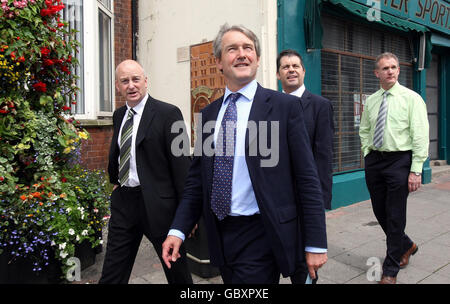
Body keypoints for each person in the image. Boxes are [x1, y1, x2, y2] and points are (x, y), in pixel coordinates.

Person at [162, 24, 327, 284]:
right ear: (218, 62)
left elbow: (307, 177)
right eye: (232, 49)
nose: (241, 54)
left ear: (258, 58)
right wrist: (178, 230)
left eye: (248, 48)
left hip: (262, 231)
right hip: (220, 234)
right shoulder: (208, 116)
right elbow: (197, 182)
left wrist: (316, 242)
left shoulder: (286, 107)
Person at [99, 60, 193, 284]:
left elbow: (182, 167)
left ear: (145, 81)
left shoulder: (170, 113)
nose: (131, 85)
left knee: (177, 273)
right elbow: (119, 151)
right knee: (112, 272)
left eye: (135, 79)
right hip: (125, 203)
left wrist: (186, 216)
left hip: (160, 207)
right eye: (125, 81)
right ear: (117, 86)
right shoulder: (119, 115)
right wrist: (116, 180)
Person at [359, 52, 429, 284]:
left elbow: (420, 134)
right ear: (376, 73)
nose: (390, 71)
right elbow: (365, 129)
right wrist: (367, 151)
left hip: (400, 160)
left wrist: (416, 169)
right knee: (381, 212)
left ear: (398, 70)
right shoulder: (371, 100)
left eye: (393, 67)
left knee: (396, 214)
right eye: (385, 68)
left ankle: (390, 269)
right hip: (375, 161)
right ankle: (407, 245)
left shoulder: (412, 98)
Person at [276, 49, 334, 284]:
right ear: (278, 74)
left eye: (295, 66)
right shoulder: (271, 105)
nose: (291, 70)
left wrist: (319, 201)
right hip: (277, 196)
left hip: (305, 197)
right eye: (285, 67)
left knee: (305, 262)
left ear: (303, 71)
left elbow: (324, 156)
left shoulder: (320, 106)